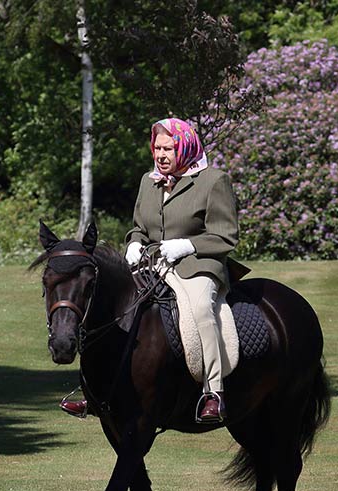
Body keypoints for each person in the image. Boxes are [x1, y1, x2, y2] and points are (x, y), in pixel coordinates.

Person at [61, 117, 239, 422]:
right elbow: (139, 228)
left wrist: (187, 246)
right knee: (108, 305)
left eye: (168, 148)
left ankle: (213, 392)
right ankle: (92, 392)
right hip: (153, 264)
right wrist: (134, 243)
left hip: (198, 265)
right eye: (157, 148)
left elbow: (226, 235)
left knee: (199, 310)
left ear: (184, 146)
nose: (161, 155)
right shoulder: (149, 180)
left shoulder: (214, 181)